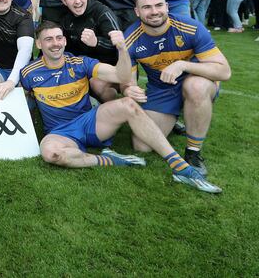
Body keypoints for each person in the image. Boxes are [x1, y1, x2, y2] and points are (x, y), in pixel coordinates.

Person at [21, 21, 221, 193]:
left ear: (64, 40)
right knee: (51, 154)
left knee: (128, 104)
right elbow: (24, 102)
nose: (55, 44)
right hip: (60, 132)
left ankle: (181, 167)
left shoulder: (81, 62)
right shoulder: (29, 73)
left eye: (59, 38)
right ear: (39, 43)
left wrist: (123, 50)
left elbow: (122, 76)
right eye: (49, 39)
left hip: (91, 122)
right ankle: (111, 160)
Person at [124, 0, 231, 177]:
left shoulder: (190, 27)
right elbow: (128, 83)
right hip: (162, 88)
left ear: (167, 6)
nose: (154, 11)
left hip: (196, 80)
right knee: (142, 146)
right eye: (147, 7)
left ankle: (193, 153)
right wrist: (129, 90)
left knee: (194, 87)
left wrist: (183, 65)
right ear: (137, 12)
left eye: (158, 5)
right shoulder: (130, 40)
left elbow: (224, 71)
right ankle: (173, 118)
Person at [57, 0, 121, 102]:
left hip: (111, 66)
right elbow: (67, 50)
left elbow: (120, 47)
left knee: (96, 84)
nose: (77, 1)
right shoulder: (66, 19)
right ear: (64, 1)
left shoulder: (102, 12)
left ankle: (112, 105)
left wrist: (97, 42)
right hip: (84, 66)